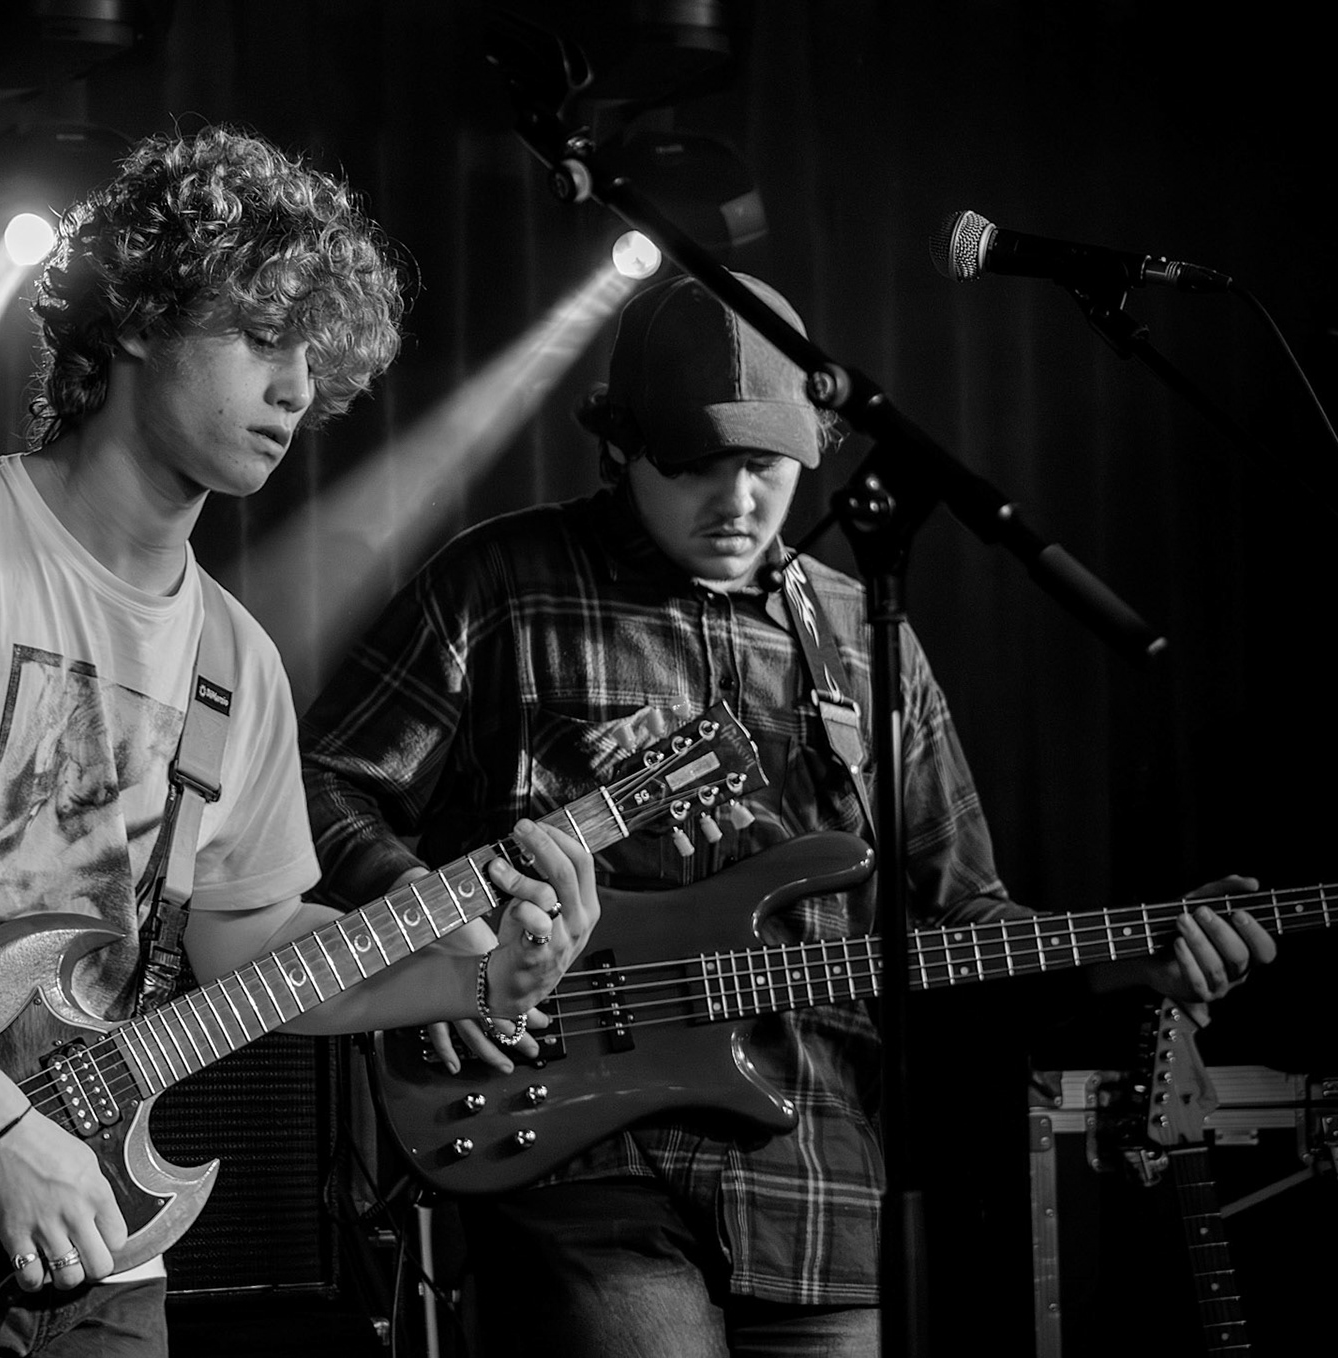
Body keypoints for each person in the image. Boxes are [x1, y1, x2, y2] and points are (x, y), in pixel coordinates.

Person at [0, 124, 599, 1357]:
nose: (298, 391)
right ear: (137, 316)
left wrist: (477, 974)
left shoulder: (237, 660)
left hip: (104, 1243)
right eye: (263, 336)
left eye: (315, 357)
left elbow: (250, 940)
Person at [297, 270, 1277, 1356]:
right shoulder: (505, 581)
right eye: (695, 465)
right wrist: (430, 923)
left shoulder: (863, 634)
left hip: (813, 1174)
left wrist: (1130, 957)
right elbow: (323, 780)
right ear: (622, 445)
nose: (737, 501)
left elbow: (956, 914)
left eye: (764, 466)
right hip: (572, 1149)